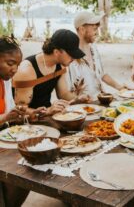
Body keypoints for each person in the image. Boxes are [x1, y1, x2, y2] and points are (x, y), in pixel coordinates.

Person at [0, 35, 46, 207]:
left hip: (5, 139)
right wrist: (5, 118)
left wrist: (30, 114)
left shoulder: (5, 81)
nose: (14, 69)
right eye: (10, 63)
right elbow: (5, 117)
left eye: (17, 65)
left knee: (29, 167)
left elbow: (14, 111)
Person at [13, 29, 88, 116]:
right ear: (56, 52)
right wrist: (47, 111)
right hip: (27, 121)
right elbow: (19, 110)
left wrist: (77, 99)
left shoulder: (61, 65)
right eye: (71, 54)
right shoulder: (27, 70)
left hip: (47, 114)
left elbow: (63, 94)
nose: (74, 59)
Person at [67, 11, 125, 98]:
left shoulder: (93, 47)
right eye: (94, 29)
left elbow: (101, 74)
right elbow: (67, 92)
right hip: (83, 106)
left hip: (100, 98)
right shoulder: (69, 57)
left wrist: (120, 87)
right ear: (82, 29)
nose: (97, 33)